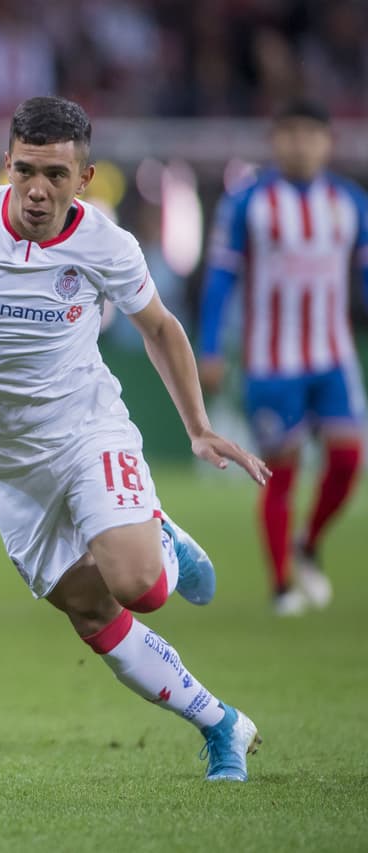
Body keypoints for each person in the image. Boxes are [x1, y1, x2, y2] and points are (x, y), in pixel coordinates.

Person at [0, 96, 271, 782]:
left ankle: (159, 537)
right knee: (91, 611)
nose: (37, 190)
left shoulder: (107, 244)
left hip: (86, 432)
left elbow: (161, 328)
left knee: (140, 585)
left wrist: (199, 428)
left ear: (85, 178)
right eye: (25, 170)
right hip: (5, 465)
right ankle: (221, 722)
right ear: (7, 162)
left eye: (55, 174)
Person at [198, 98, 367, 617]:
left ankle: (309, 542)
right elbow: (221, 274)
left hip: (333, 355)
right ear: (275, 142)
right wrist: (208, 345)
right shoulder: (247, 201)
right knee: (280, 473)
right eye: (290, 134)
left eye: (310, 135)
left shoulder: (350, 201)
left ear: (326, 142)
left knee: (347, 461)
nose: (300, 144)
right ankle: (282, 586)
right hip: (272, 361)